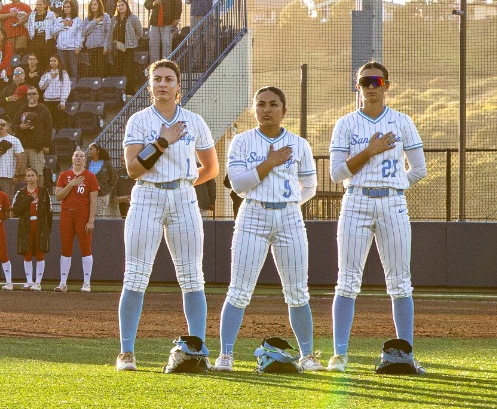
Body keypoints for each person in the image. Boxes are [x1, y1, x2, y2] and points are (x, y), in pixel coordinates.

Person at [115, 60, 219, 372]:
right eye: (157, 79)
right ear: (150, 86)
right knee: (135, 275)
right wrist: (162, 141)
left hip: (183, 199)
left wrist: (183, 181)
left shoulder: (194, 121)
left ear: (178, 86)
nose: (163, 83)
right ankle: (127, 353)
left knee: (192, 277)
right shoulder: (139, 120)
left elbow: (211, 169)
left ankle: (196, 351)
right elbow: (133, 169)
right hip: (146, 195)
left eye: (169, 79)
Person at [327, 61, 427, 373]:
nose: (371, 87)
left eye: (376, 81)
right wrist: (369, 151)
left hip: (392, 204)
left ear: (386, 85)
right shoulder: (345, 124)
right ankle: (340, 355)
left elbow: (419, 169)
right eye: (365, 82)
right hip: (355, 200)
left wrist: (395, 186)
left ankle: (405, 353)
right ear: (357, 87)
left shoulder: (401, 121)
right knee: (347, 282)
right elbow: (335, 174)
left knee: (400, 283)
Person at [215, 86, 321, 371]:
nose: (266, 110)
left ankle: (308, 356)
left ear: (283, 111)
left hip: (289, 217)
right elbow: (238, 185)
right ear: (254, 110)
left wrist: (288, 203)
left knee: (297, 292)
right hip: (253, 215)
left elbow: (310, 185)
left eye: (273, 104)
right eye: (260, 104)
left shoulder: (299, 144)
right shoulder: (242, 141)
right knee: (238, 291)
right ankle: (225, 355)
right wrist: (270, 162)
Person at [52, 148, 100, 292]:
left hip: (83, 215)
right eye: (76, 156)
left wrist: (91, 220)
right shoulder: (64, 175)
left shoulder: (90, 176)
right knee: (66, 248)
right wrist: (71, 185)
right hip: (66, 214)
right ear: (72, 159)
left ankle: (86, 283)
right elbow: (59, 196)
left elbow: (93, 200)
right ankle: (63, 282)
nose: (78, 158)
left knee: (86, 248)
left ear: (85, 160)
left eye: (81, 156)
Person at [143, 0, 181, 64]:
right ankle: (154, 68)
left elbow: (178, 5)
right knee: (153, 47)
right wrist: (153, 3)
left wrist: (176, 19)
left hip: (168, 24)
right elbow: (146, 5)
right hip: (155, 24)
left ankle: (166, 66)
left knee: (167, 46)